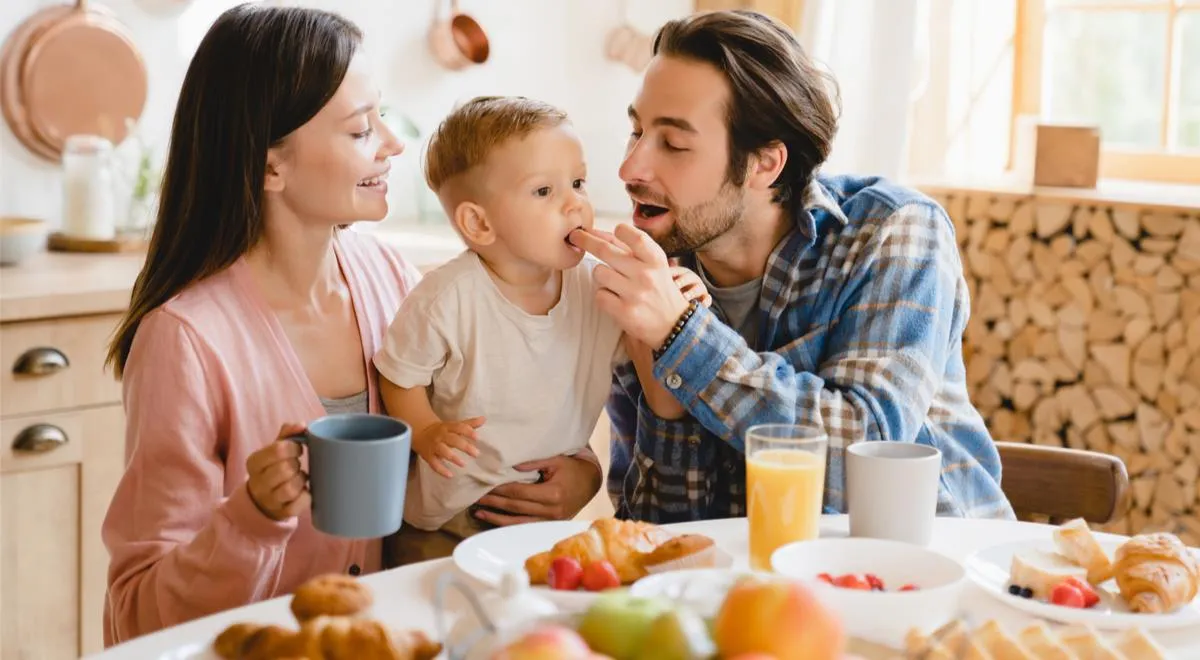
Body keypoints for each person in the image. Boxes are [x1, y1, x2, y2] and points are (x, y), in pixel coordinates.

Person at [568, 9, 1016, 524]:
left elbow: (865, 463)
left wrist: (682, 339)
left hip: (930, 579)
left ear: (765, 164)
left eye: (673, 143)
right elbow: (662, 538)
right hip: (755, 593)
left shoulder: (892, 230)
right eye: (636, 131)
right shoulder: (648, 275)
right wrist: (666, 410)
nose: (630, 168)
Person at [373, 96, 709, 565]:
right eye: (544, 192)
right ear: (479, 223)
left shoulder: (596, 285)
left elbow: (657, 384)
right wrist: (426, 431)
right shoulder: (445, 298)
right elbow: (398, 374)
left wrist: (675, 314)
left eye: (577, 182)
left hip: (544, 517)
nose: (575, 204)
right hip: (448, 519)